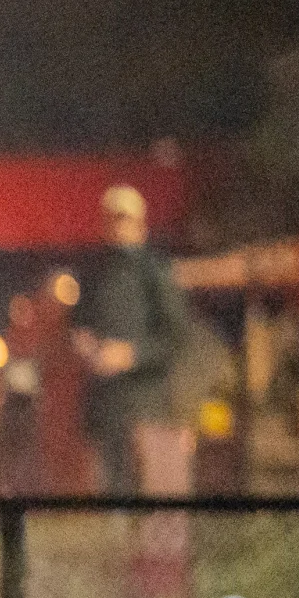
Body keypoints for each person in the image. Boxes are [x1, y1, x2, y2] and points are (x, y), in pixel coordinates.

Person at [74, 184, 196, 499]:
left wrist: (132, 354)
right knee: (112, 502)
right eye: (111, 218)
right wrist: (86, 345)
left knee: (155, 502)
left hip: (149, 407)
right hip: (107, 408)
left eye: (124, 218)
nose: (117, 225)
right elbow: (79, 324)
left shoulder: (155, 271)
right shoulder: (94, 272)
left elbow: (176, 337)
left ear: (140, 222)